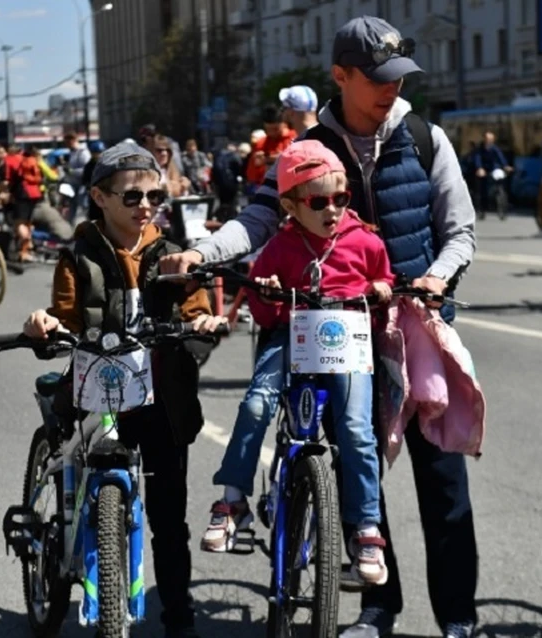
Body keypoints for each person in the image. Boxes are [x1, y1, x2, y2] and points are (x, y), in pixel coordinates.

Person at [161, 15, 478, 638]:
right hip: (336, 328)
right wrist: (201, 253)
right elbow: (254, 219)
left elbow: (459, 230)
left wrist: (439, 276)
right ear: (341, 76)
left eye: (399, 77)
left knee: (444, 484)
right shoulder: (308, 153)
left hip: (413, 326)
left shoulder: (424, 136)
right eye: (378, 78)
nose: (392, 89)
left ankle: (459, 620)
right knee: (357, 465)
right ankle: (378, 608)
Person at [22, 141, 227, 638]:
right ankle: (62, 540)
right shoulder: (79, 254)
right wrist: (44, 324)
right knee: (85, 473)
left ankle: (179, 620)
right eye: (133, 197)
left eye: (155, 197)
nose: (146, 207)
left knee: (168, 520)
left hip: (162, 397)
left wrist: (204, 322)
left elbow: (195, 309)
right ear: (100, 197)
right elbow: (67, 316)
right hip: (99, 387)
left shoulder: (174, 253)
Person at [202, 140, 394, 588]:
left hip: (346, 338)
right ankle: (232, 503)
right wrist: (266, 292)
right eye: (318, 202)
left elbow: (383, 283)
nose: (332, 210)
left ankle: (366, 529)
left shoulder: (365, 239)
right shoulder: (280, 247)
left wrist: (382, 289)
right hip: (290, 332)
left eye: (340, 199)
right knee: (255, 406)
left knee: (355, 428)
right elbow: (265, 316)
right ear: (289, 205)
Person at [245, 106, 297, 188]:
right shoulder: (261, 144)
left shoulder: (296, 139)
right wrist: (257, 165)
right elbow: (251, 176)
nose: (271, 133)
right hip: (268, 189)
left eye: (275, 129)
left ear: (284, 124)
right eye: (268, 130)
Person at [472, 131, 511, 215]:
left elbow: (500, 157)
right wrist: (479, 168)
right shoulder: (480, 149)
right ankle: (483, 208)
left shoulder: (495, 148)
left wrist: (505, 166)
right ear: (485, 139)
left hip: (494, 168)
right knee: (483, 187)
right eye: (488, 139)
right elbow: (477, 159)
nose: (489, 141)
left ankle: (500, 195)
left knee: (500, 178)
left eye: (491, 139)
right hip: (484, 168)